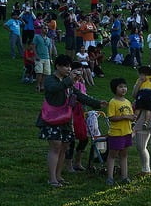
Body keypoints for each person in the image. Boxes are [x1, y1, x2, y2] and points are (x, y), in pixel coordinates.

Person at [38, 55, 107, 188]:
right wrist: (70, 80)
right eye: (65, 66)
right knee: (56, 146)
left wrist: (97, 103)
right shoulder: (50, 80)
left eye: (69, 66)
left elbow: (80, 96)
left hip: (65, 119)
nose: (68, 69)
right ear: (57, 66)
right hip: (52, 118)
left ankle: (58, 176)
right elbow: (53, 89)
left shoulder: (67, 81)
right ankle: (52, 178)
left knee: (64, 147)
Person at [104, 77, 136, 185]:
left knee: (124, 154)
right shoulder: (113, 102)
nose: (123, 89)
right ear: (115, 89)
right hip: (116, 133)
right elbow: (111, 117)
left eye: (125, 87)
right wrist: (125, 117)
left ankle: (124, 176)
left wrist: (132, 118)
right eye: (120, 87)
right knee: (113, 154)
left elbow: (131, 116)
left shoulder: (127, 102)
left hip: (127, 132)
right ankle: (110, 177)